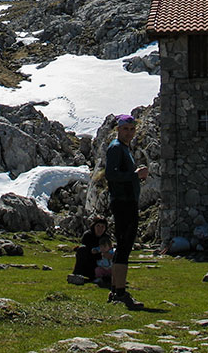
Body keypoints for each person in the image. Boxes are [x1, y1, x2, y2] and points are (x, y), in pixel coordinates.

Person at [104, 112, 149, 310]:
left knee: (123, 244)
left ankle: (116, 289)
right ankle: (120, 292)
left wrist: (135, 176)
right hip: (123, 202)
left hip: (126, 200)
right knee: (124, 245)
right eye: (125, 129)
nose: (129, 133)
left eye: (132, 129)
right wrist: (134, 175)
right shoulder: (116, 148)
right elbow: (111, 175)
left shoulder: (123, 148)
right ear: (118, 129)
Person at [68, 217, 109, 284]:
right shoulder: (87, 235)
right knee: (82, 249)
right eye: (98, 226)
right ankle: (77, 274)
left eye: (102, 226)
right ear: (94, 226)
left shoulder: (106, 238)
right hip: (88, 264)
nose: (100, 229)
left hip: (100, 265)